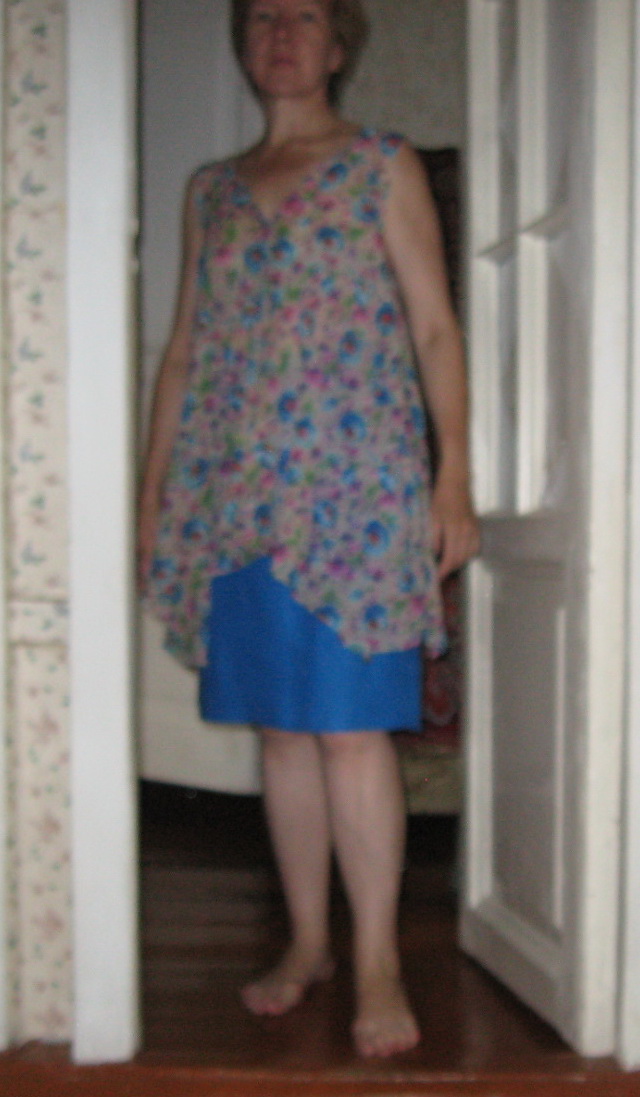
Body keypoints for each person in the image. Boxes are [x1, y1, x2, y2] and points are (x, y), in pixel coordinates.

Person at [138, 0, 479, 1059]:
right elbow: (185, 349)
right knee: (282, 731)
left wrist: (453, 478)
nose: (280, 30)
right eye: (263, 16)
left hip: (357, 493)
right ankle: (309, 940)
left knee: (350, 728)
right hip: (237, 497)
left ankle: (376, 957)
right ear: (245, 45)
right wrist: (152, 498)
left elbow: (434, 327)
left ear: (338, 47)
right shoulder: (210, 191)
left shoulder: (381, 165)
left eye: (305, 16)